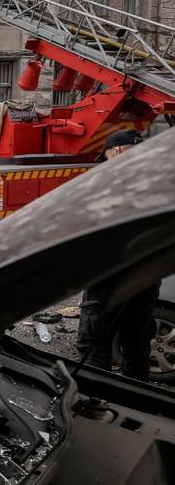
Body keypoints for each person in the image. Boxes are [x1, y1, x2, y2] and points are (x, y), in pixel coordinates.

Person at [77, 129, 159, 381]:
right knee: (136, 341)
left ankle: (94, 401)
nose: (107, 160)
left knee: (94, 342)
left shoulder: (110, 181)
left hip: (110, 273)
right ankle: (137, 403)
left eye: (108, 154)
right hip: (147, 274)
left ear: (120, 150)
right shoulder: (158, 179)